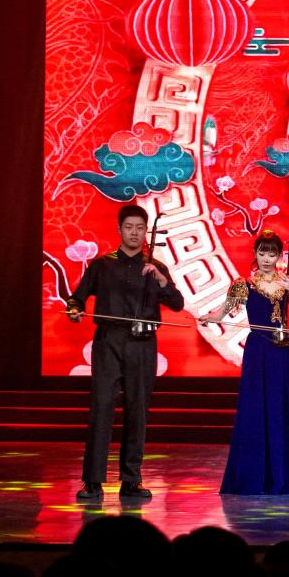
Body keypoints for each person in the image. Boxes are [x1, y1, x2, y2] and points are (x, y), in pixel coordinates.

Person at [66, 204, 185, 500]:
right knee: (102, 407)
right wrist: (74, 310)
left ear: (146, 232)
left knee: (137, 410)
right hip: (109, 341)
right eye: (129, 227)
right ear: (119, 229)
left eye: (140, 228)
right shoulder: (102, 265)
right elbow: (77, 298)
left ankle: (131, 480)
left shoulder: (156, 267)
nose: (134, 233)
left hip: (143, 344)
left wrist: (161, 280)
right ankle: (92, 481)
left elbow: (177, 303)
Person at [199, 230, 289, 494]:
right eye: (262, 253)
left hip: (283, 352)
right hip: (258, 351)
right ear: (255, 254)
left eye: (272, 254)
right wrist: (210, 318)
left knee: (288, 407)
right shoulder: (243, 284)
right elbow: (221, 313)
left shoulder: (287, 281)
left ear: (279, 256)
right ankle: (256, 476)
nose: (266, 259)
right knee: (256, 408)